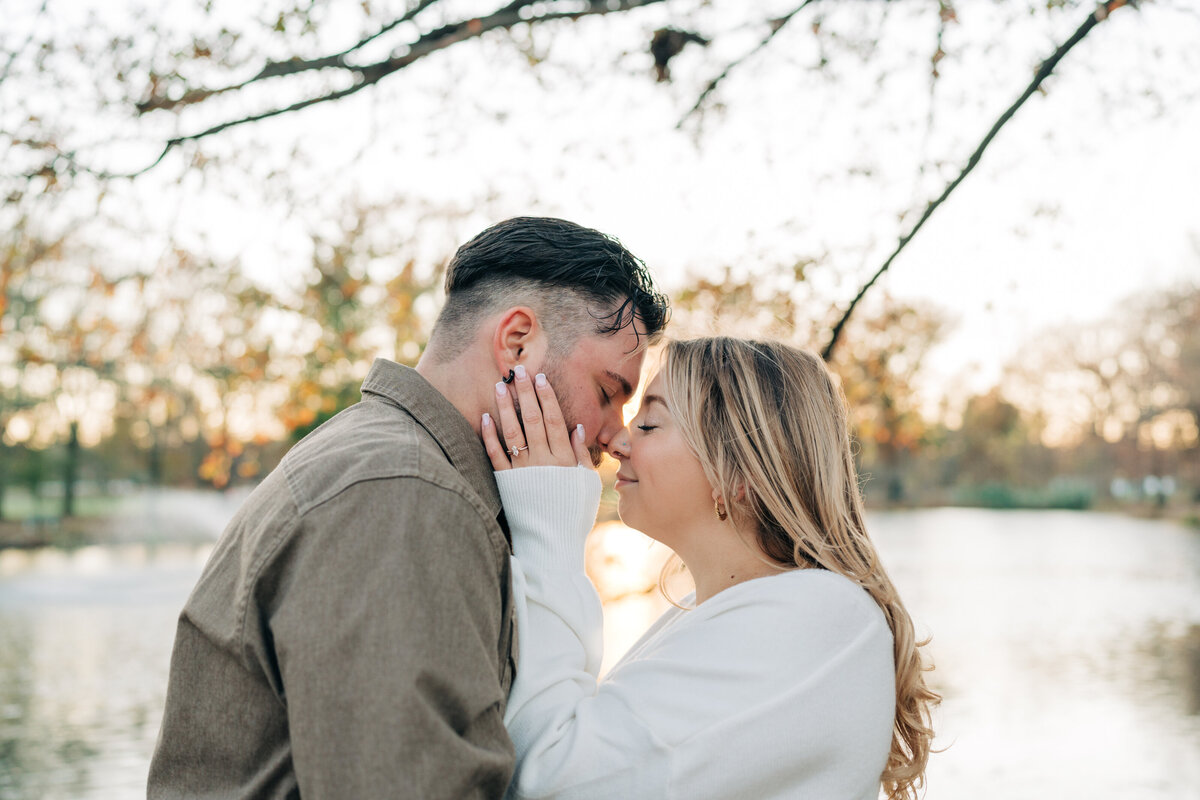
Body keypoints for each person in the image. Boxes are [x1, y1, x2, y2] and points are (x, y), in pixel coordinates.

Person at [148, 217, 670, 799]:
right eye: (607, 393)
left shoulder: (397, 470)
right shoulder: (405, 497)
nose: (613, 435)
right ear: (517, 342)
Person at [481, 337, 940, 800]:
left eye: (650, 423)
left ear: (738, 474)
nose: (617, 441)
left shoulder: (818, 616)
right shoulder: (722, 615)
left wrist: (548, 532)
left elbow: (552, 781)